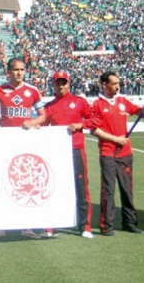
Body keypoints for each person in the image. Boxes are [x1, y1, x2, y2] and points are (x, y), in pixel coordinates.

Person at [0, 58, 46, 240]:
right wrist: (1, 123)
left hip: (26, 145)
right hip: (5, 144)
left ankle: (26, 225)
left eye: (22, 69)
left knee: (24, 184)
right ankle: (1, 225)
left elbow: (43, 116)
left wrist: (33, 122)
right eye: (15, 70)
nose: (19, 73)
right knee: (3, 183)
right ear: (8, 71)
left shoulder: (32, 91)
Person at [43, 71, 95, 239]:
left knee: (81, 188)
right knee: (55, 188)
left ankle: (84, 225)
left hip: (76, 150)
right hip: (57, 153)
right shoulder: (49, 107)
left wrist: (81, 124)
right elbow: (42, 128)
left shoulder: (79, 102)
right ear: (53, 85)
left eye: (64, 82)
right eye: (58, 83)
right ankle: (53, 224)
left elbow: (95, 120)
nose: (61, 86)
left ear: (69, 83)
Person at [90, 71, 143, 236]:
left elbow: (138, 111)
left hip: (125, 153)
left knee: (127, 190)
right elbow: (94, 130)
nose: (117, 86)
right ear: (104, 84)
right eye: (114, 83)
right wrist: (115, 139)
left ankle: (130, 223)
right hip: (108, 153)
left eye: (118, 83)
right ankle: (107, 226)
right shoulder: (97, 104)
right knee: (109, 190)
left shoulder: (122, 101)